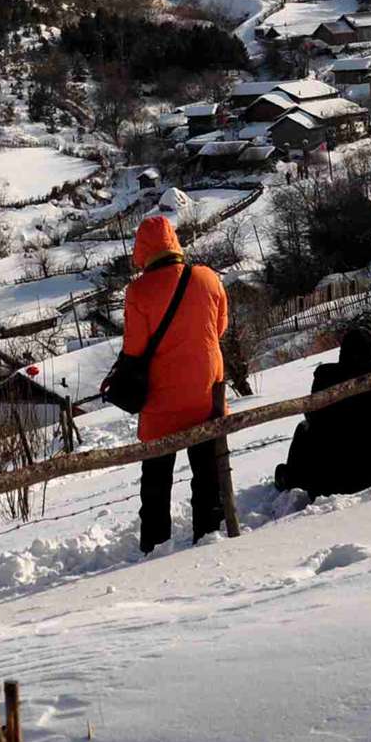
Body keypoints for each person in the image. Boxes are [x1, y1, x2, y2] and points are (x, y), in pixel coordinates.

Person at [119, 206, 232, 553]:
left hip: (161, 401)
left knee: (156, 478)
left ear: (142, 251)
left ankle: (154, 543)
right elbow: (221, 326)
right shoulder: (208, 278)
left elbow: (134, 350)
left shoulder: (138, 293)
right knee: (207, 473)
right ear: (174, 242)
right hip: (206, 394)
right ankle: (209, 531)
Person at [273, 326, 371, 499]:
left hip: (330, 482)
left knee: (303, 429)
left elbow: (314, 421)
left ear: (343, 353)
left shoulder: (326, 379)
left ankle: (291, 478)